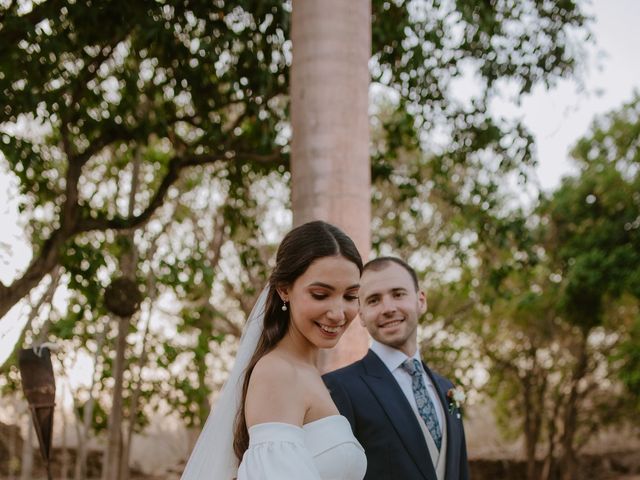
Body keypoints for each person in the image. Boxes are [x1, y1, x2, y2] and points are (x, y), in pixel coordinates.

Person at [181, 220, 367, 480]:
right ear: (284, 290)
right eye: (320, 295)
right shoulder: (278, 372)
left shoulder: (306, 372)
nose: (338, 313)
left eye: (350, 296)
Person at [323, 257, 470, 480]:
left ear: (421, 300)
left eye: (398, 294)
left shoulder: (446, 388)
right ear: (361, 315)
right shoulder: (338, 387)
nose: (388, 308)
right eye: (373, 300)